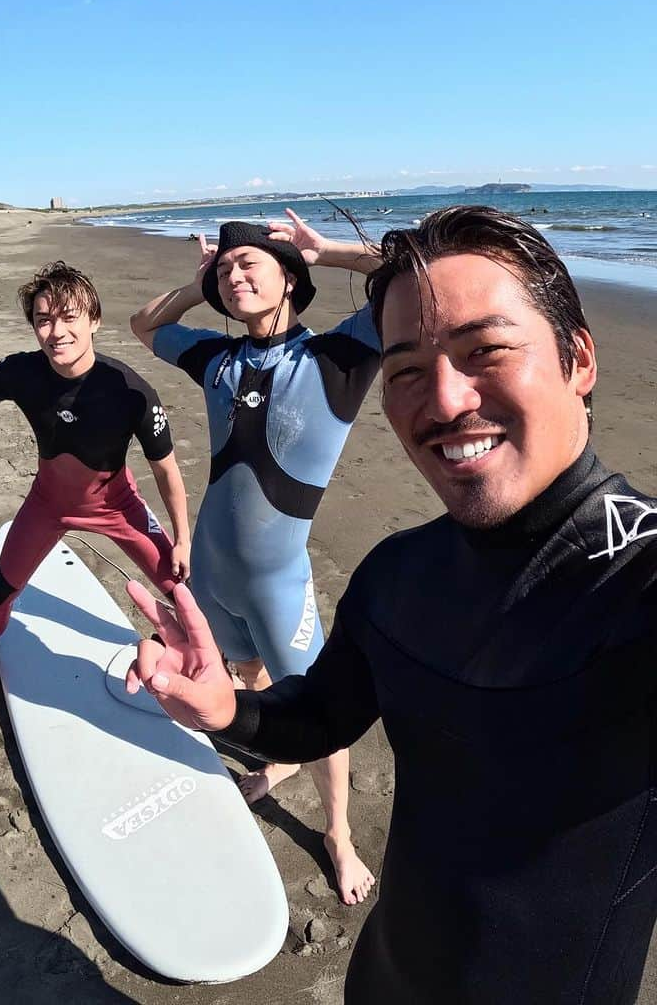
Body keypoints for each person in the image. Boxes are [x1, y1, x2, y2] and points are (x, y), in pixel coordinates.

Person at [124, 206, 657, 1003]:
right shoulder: (396, 575)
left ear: (578, 358)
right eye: (406, 367)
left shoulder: (637, 580)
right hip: (383, 977)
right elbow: (316, 719)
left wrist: (327, 249)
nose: (442, 400)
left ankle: (336, 835)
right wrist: (224, 709)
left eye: (486, 351)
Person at [129, 212, 381, 905]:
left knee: (322, 708)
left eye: (251, 264)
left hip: (279, 580)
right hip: (213, 569)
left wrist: (327, 250)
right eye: (227, 268)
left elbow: (408, 280)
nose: (235, 275)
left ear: (290, 281)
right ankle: (274, 759)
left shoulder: (337, 360)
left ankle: (338, 835)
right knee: (249, 675)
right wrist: (194, 282)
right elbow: (142, 327)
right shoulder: (218, 359)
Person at [0, 260, 191, 717]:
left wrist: (182, 537)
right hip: (48, 505)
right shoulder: (25, 372)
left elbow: (167, 472)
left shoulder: (130, 390)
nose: (56, 331)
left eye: (69, 317)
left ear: (94, 321)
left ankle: (214, 665)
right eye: (44, 319)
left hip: (117, 505)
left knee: (181, 585)